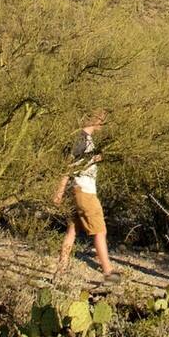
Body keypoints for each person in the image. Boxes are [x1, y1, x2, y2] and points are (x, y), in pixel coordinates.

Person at [53, 111, 120, 284]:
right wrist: (59, 191)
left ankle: (61, 268)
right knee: (99, 230)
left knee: (72, 229)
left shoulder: (85, 139)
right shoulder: (81, 138)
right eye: (101, 119)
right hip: (84, 191)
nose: (103, 123)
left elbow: (80, 163)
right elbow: (68, 166)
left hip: (77, 190)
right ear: (94, 118)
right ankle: (108, 273)